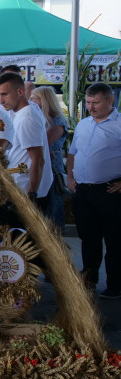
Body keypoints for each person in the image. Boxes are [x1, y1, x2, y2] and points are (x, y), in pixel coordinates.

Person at [67, 83, 121, 300]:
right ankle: (88, 279)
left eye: (95, 102)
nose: (91, 107)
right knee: (88, 238)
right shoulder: (83, 124)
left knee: (115, 240)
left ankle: (115, 285)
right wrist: (70, 176)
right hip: (82, 191)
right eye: (88, 102)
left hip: (109, 191)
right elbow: (73, 153)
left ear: (110, 101)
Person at [0, 72, 52, 217]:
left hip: (25, 193)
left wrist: (31, 194)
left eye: (5, 94)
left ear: (20, 91)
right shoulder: (24, 111)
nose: (1, 100)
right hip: (18, 189)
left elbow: (38, 160)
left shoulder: (27, 117)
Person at [30, 86, 68, 231]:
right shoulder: (39, 118)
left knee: (52, 209)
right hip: (40, 167)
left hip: (52, 170)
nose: (30, 101)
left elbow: (43, 142)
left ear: (43, 100)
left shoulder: (57, 121)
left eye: (34, 98)